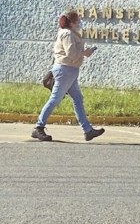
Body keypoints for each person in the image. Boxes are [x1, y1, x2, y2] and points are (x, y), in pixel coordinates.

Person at [32, 10, 105, 142]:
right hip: (65, 70)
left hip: (70, 71)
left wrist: (83, 52)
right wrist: (85, 53)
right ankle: (38, 127)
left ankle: (88, 130)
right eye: (77, 20)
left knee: (78, 98)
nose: (79, 22)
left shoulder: (71, 33)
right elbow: (71, 54)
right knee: (55, 98)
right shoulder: (67, 34)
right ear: (71, 22)